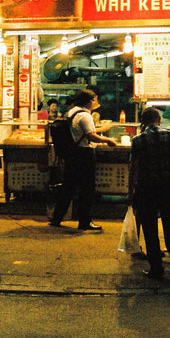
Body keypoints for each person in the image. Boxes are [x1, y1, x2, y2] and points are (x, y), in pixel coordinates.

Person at [129, 107, 170, 279]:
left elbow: (134, 168)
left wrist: (130, 193)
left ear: (143, 122)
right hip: (169, 187)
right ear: (158, 120)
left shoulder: (138, 139)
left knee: (150, 229)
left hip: (147, 188)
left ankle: (156, 268)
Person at [49, 89, 118, 231]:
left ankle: (56, 218)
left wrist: (101, 128)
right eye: (94, 100)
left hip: (72, 154)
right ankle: (84, 222)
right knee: (86, 189)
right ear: (89, 101)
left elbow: (81, 131)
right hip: (84, 154)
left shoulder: (72, 111)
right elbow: (91, 136)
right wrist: (108, 140)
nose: (96, 102)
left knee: (68, 187)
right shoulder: (85, 116)